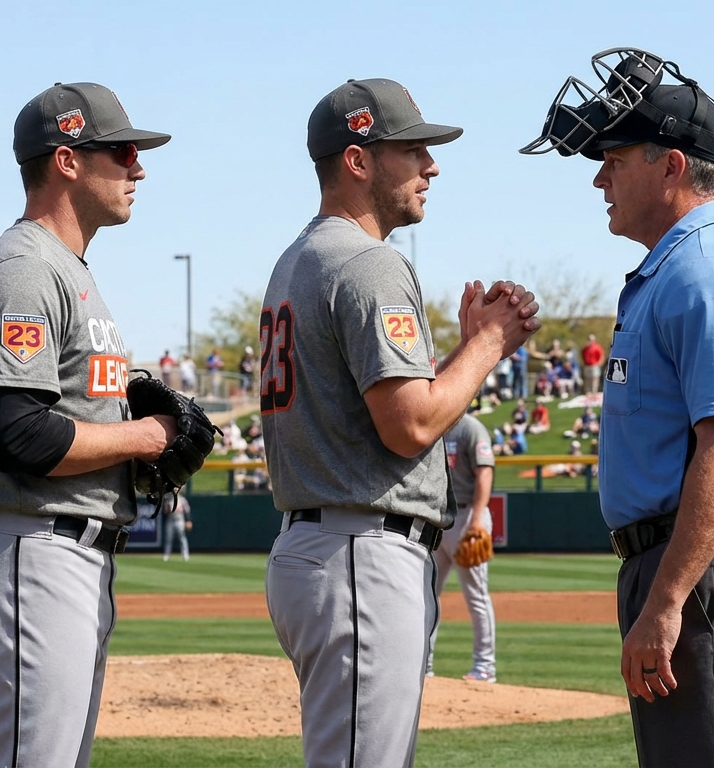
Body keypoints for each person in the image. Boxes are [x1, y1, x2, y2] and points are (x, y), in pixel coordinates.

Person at [521, 48, 714, 766]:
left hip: (711, 562)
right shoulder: (674, 269)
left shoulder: (708, 271)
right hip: (693, 559)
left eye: (615, 156)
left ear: (671, 164)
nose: (599, 175)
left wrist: (669, 597)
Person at [261, 77, 539, 768]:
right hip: (359, 553)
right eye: (412, 150)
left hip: (323, 546)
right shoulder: (369, 262)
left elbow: (375, 405)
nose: (431, 165)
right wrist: (487, 347)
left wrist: (458, 353)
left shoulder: (298, 257)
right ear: (359, 160)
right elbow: (410, 427)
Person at [0, 82, 177, 767]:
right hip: (29, 554)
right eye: (123, 150)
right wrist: (148, 436)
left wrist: (134, 420)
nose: (138, 167)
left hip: (61, 556)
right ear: (67, 160)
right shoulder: (23, 271)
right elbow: (20, 434)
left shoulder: (69, 271)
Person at [428, 411, 498, 682]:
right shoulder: (436, 424)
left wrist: (477, 520)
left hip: (469, 517)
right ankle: (423, 664)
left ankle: (485, 666)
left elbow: (484, 474)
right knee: (427, 594)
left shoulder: (471, 429)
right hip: (439, 519)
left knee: (476, 596)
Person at [162, 490, 192, 562]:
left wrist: (188, 520)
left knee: (182, 537)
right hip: (170, 518)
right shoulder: (168, 499)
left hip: (180, 518)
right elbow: (164, 512)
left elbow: (187, 510)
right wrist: (166, 509)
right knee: (169, 538)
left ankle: (185, 554)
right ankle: (166, 554)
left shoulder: (182, 499)